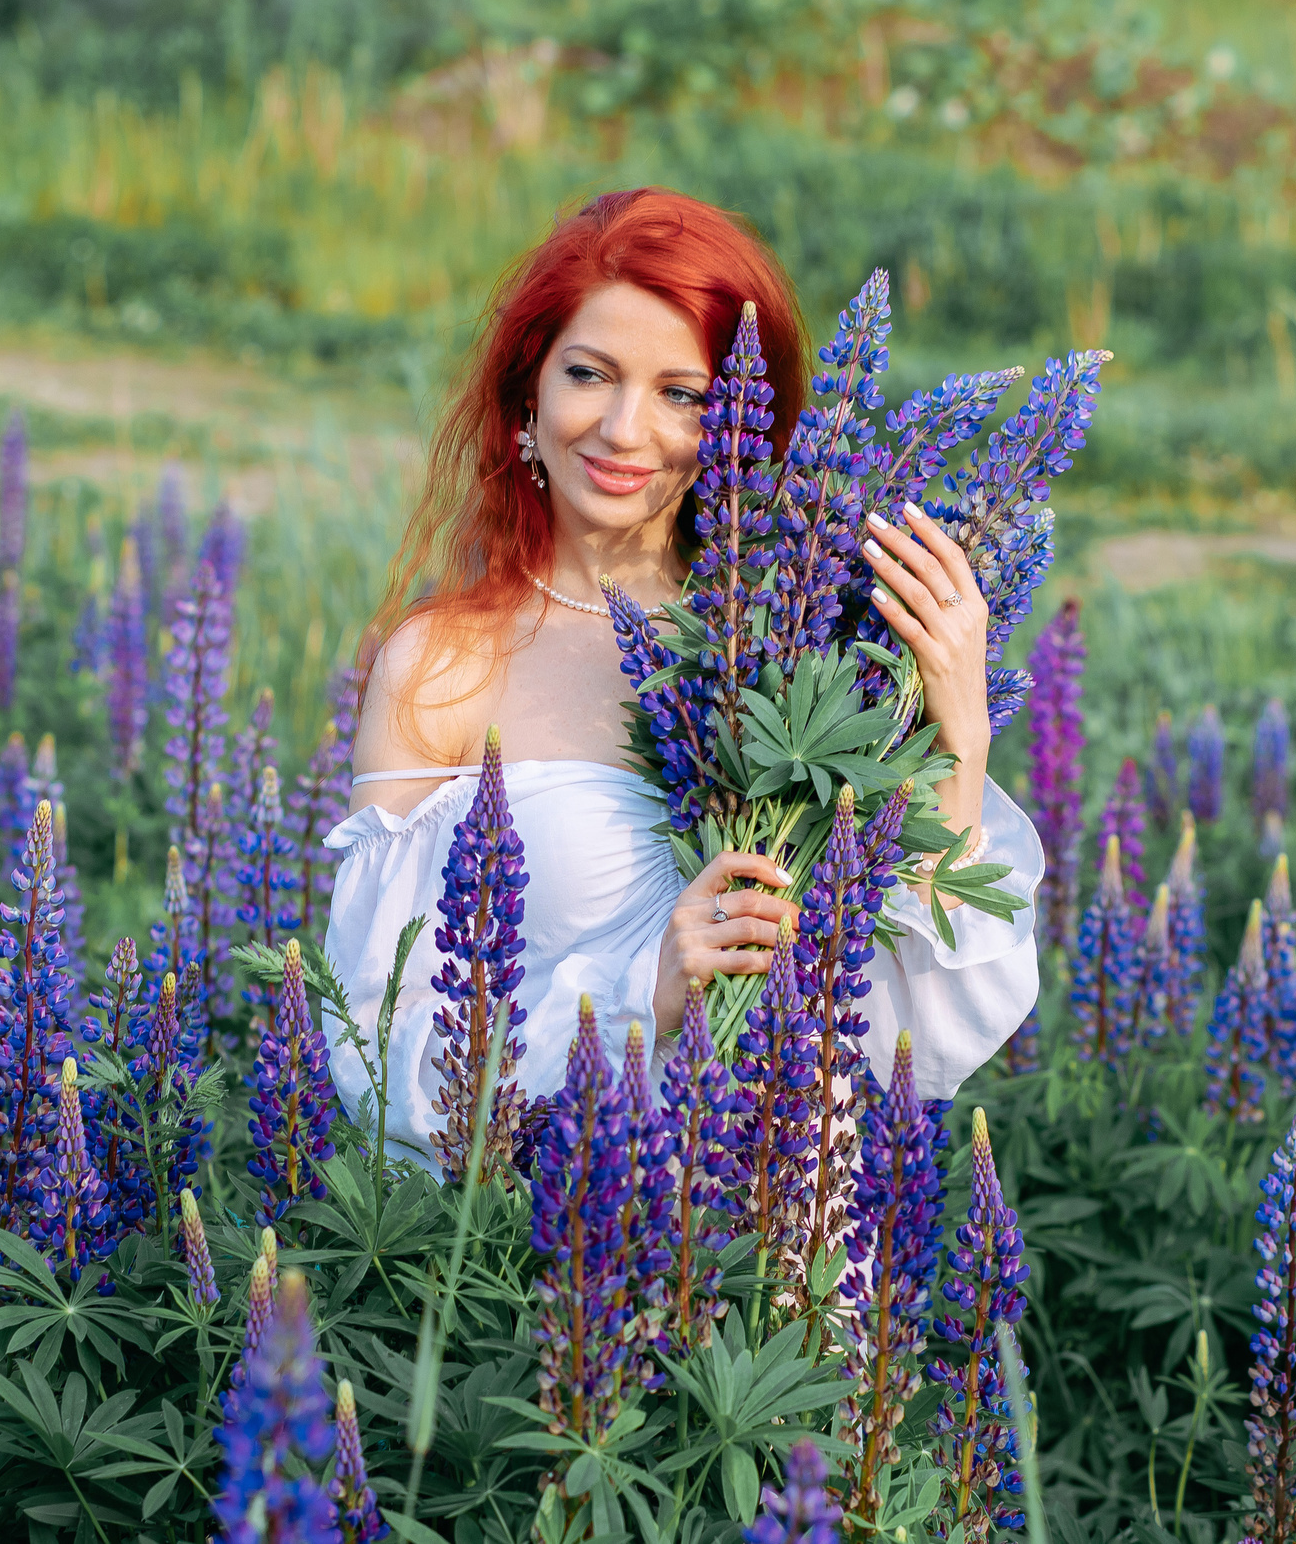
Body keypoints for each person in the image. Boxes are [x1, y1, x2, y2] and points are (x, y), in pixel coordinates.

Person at [322, 187, 1040, 1169]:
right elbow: (370, 1062)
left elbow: (924, 1031)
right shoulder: (441, 666)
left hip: (783, 1240)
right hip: (553, 1252)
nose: (624, 428)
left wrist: (955, 723)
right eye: (589, 373)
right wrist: (640, 995)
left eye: (681, 394)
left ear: (738, 421)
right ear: (525, 396)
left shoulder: (814, 646)